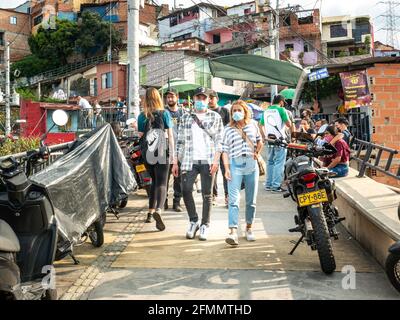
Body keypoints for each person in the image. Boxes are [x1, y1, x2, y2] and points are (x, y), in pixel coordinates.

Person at [172, 87, 223, 241]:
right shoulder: (186, 118)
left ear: (208, 100)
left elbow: (219, 140)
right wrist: (175, 162)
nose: (200, 101)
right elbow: (179, 141)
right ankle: (193, 221)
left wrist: (216, 161)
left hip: (208, 161)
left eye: (203, 98)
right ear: (193, 99)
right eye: (198, 98)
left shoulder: (215, 117)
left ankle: (205, 225)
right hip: (189, 160)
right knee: (186, 190)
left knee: (207, 194)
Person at [222, 100, 263, 246]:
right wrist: (226, 168)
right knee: (233, 200)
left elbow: (260, 141)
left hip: (251, 165)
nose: (236, 113)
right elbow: (224, 150)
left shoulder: (253, 125)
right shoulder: (227, 128)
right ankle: (233, 232)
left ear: (245, 111)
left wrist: (257, 153)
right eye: (234, 111)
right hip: (234, 164)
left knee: (251, 201)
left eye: (239, 110)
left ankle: (249, 228)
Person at [138, 88, 175, 231]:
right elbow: (170, 135)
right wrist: (173, 154)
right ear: (159, 98)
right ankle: (159, 209)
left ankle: (151, 211)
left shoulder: (142, 116)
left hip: (148, 152)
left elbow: (140, 135)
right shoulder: (164, 113)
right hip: (161, 150)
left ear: (145, 99)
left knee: (153, 182)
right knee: (162, 183)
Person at [259, 95, 292, 193]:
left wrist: (264, 137)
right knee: (279, 163)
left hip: (269, 140)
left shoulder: (265, 111)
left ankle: (268, 185)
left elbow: (260, 125)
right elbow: (289, 124)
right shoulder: (282, 110)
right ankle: (276, 186)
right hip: (280, 141)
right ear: (281, 102)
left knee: (270, 162)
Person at [208, 89, 230, 206]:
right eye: (209, 98)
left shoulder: (224, 111)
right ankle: (212, 195)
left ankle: (228, 196)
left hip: (223, 147)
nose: (210, 100)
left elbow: (230, 128)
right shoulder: (204, 112)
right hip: (210, 148)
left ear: (217, 99)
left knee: (225, 171)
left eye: (212, 98)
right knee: (211, 173)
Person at [164, 88, 184, 212]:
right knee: (164, 178)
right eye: (168, 97)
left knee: (179, 179)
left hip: (180, 150)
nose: (170, 99)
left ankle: (177, 202)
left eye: (172, 96)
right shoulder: (163, 112)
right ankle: (163, 201)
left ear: (177, 97)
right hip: (165, 150)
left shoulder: (183, 113)